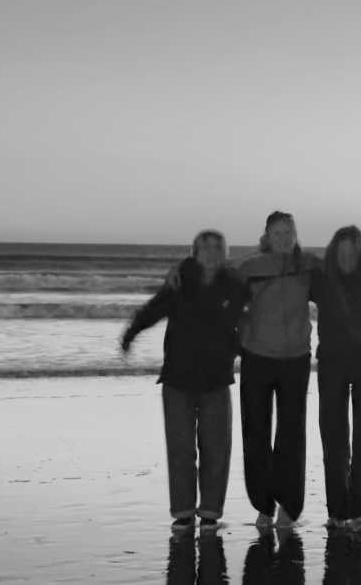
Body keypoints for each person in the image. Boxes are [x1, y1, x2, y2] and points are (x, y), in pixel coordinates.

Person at [120, 229, 248, 534]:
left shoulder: (235, 285)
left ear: (225, 254)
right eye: (206, 247)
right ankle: (183, 513)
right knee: (181, 450)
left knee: (216, 448)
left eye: (218, 248)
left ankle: (210, 513)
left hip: (217, 378)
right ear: (195, 252)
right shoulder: (179, 283)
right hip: (178, 378)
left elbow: (249, 319)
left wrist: (245, 351)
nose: (212, 253)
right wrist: (130, 334)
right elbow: (153, 310)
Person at [236, 210, 322, 528]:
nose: (284, 239)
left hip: (296, 358)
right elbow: (222, 296)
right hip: (257, 357)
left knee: (292, 433)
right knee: (256, 432)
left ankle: (289, 506)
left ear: (295, 235)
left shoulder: (309, 264)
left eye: (289, 233)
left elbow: (344, 282)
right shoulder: (250, 267)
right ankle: (263, 505)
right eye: (278, 233)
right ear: (267, 236)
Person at [313, 225, 361, 532]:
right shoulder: (322, 278)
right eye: (341, 253)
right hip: (331, 362)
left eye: (352, 253)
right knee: (333, 436)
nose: (346, 258)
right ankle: (337, 512)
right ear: (333, 253)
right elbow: (283, 277)